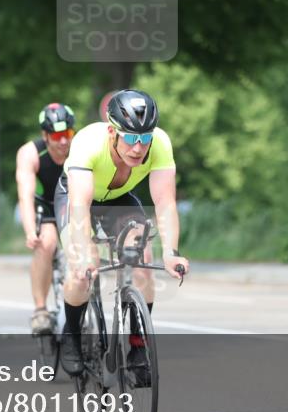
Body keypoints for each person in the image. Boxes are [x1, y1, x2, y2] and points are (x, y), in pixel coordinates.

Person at [55, 89, 189, 378]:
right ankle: (72, 333)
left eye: (144, 138)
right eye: (130, 137)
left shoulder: (160, 144)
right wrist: (86, 253)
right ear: (111, 132)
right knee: (80, 271)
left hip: (119, 198)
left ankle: (139, 347)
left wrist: (171, 252)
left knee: (145, 261)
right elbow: (81, 208)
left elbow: (165, 203)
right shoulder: (88, 143)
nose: (138, 147)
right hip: (77, 198)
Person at [15, 102, 76, 334]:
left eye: (68, 134)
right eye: (57, 135)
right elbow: (25, 196)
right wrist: (31, 231)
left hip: (73, 202)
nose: (63, 142)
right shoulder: (30, 153)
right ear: (45, 135)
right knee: (46, 243)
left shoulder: (81, 148)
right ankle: (40, 310)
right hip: (46, 205)